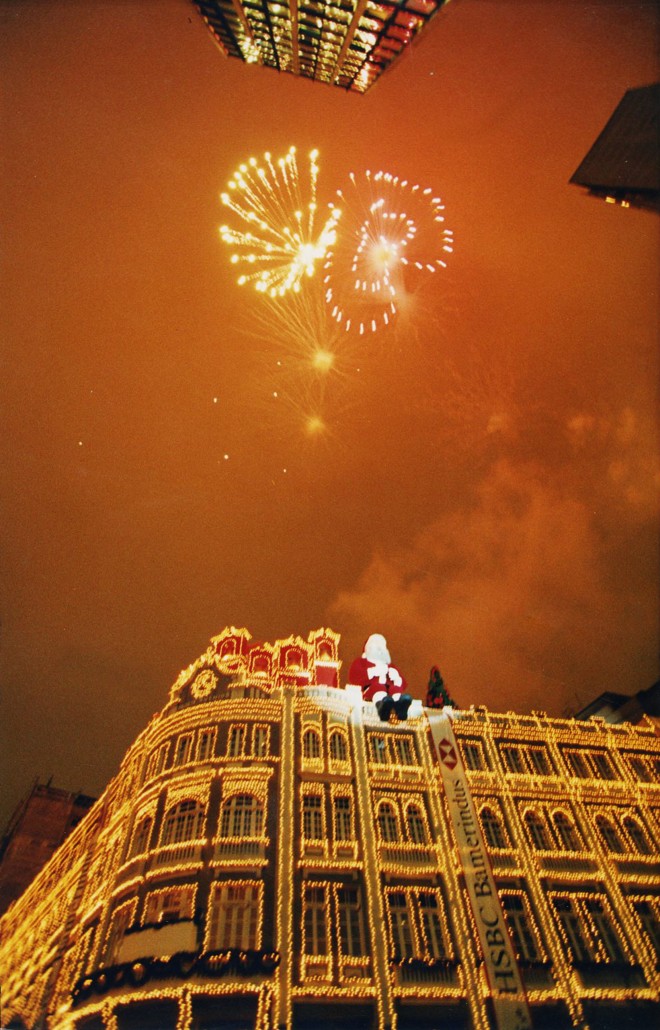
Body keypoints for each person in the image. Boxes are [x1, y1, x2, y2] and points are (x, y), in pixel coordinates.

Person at [348, 633, 413, 721]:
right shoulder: (361, 662)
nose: (380, 649)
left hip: (390, 691)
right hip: (370, 690)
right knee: (378, 687)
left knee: (395, 688)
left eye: (382, 647)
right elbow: (354, 677)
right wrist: (373, 671)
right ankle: (382, 707)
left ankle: (400, 707)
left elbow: (403, 684)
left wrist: (397, 678)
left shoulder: (391, 666)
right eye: (376, 646)